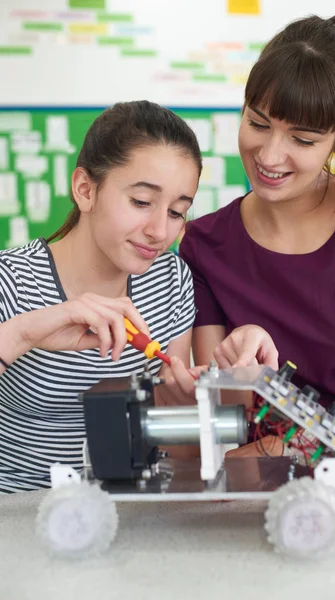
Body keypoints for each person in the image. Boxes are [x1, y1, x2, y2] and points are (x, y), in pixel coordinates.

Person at [179, 13, 335, 456]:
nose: (270, 154)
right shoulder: (204, 245)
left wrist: (292, 446)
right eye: (258, 123)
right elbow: (222, 413)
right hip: (257, 492)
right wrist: (240, 370)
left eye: (301, 139)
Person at [0, 100, 203, 493]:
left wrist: (182, 406)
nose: (159, 231)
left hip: (131, 514)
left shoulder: (171, 281)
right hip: (21, 517)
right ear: (85, 190)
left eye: (178, 211)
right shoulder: (11, 280)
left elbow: (183, 460)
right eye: (142, 202)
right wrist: (22, 334)